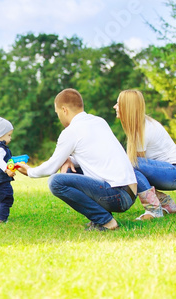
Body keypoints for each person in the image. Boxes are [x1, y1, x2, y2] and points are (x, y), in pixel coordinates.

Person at [18, 89, 137, 231]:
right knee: (71, 169)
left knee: (56, 181)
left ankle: (106, 221)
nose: (59, 117)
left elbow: (51, 167)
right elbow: (93, 157)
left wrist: (30, 171)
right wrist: (69, 160)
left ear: (64, 110)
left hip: (117, 195)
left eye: (58, 113)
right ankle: (100, 218)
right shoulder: (99, 121)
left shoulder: (71, 131)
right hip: (129, 193)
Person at [114, 89, 176, 220]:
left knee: (130, 165)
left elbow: (132, 166)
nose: (115, 107)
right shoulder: (140, 125)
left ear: (127, 107)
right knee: (129, 166)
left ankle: (154, 209)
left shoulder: (143, 130)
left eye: (118, 104)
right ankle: (165, 204)